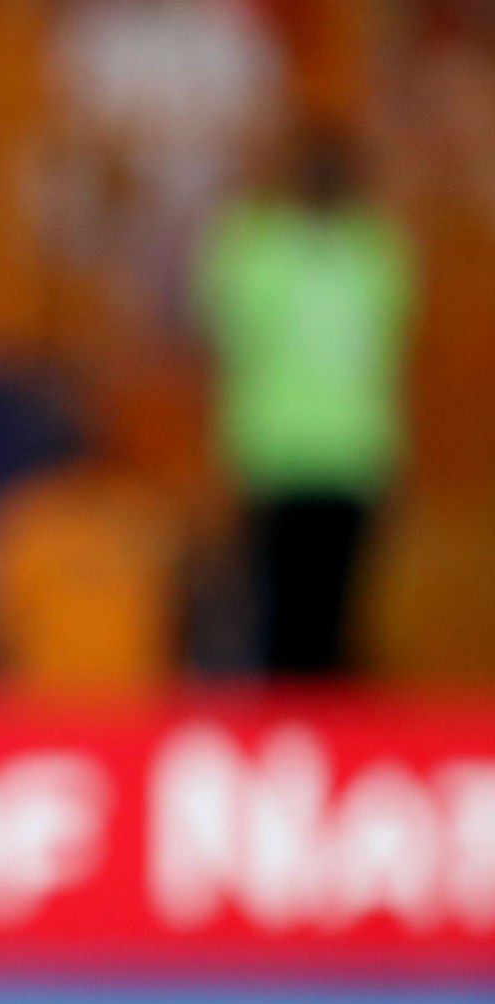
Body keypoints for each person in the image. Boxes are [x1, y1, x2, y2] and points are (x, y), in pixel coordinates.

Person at [196, 126, 411, 674]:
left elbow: (219, 311)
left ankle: (305, 716)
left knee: (300, 619)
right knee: (312, 619)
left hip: (298, 448)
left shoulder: (261, 247)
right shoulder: (374, 249)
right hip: (324, 451)